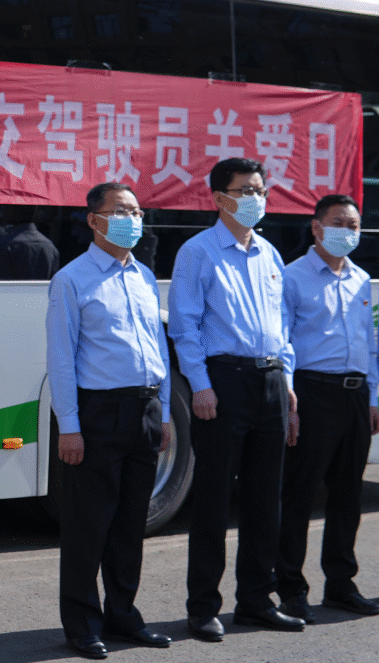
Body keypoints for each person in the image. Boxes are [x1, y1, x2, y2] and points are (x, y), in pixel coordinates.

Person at [167, 157, 303, 642]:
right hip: (223, 382)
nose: (255, 199)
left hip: (269, 381)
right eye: (245, 190)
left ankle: (256, 601)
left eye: (260, 190)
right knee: (213, 499)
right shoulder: (198, 252)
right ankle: (203, 606)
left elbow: (281, 325)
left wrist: (286, 381)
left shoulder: (269, 253)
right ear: (219, 198)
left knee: (266, 500)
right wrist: (200, 385)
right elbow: (184, 326)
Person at [46, 182, 172, 660]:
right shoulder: (72, 279)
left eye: (136, 211)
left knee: (130, 522)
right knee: (88, 524)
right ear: (94, 220)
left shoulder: (143, 276)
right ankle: (82, 624)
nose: (131, 220)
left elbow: (157, 348)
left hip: (145, 409)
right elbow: (61, 357)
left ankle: (123, 614)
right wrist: (70, 426)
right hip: (98, 412)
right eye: (121, 211)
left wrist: (162, 412)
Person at [276, 194, 379, 621]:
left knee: (348, 495)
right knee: (299, 494)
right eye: (339, 223)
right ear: (316, 228)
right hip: (313, 392)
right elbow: (281, 341)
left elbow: (371, 344)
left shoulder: (361, 279)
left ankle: (340, 584)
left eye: (354, 225)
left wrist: (373, 397)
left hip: (355, 396)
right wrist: (289, 398)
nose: (347, 232)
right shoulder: (292, 277)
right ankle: (290, 588)